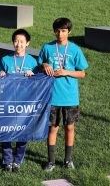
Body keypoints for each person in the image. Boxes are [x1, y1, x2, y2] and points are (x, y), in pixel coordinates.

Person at [38, 17, 88, 171]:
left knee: (69, 128)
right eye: (58, 31)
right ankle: (51, 161)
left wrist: (66, 71)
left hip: (70, 97)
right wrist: (45, 64)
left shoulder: (75, 49)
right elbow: (39, 65)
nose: (60, 34)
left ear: (69, 32)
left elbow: (82, 73)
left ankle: (68, 160)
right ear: (54, 31)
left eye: (64, 31)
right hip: (52, 96)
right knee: (53, 128)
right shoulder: (47, 48)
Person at [0, 29, 38, 172]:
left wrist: (32, 75)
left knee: (23, 131)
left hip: (24, 102)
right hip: (7, 101)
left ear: (27, 43)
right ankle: (7, 160)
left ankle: (18, 160)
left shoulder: (33, 61)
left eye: (22, 41)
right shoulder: (5, 60)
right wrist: (1, 74)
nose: (18, 44)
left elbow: (37, 83)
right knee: (6, 130)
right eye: (16, 41)